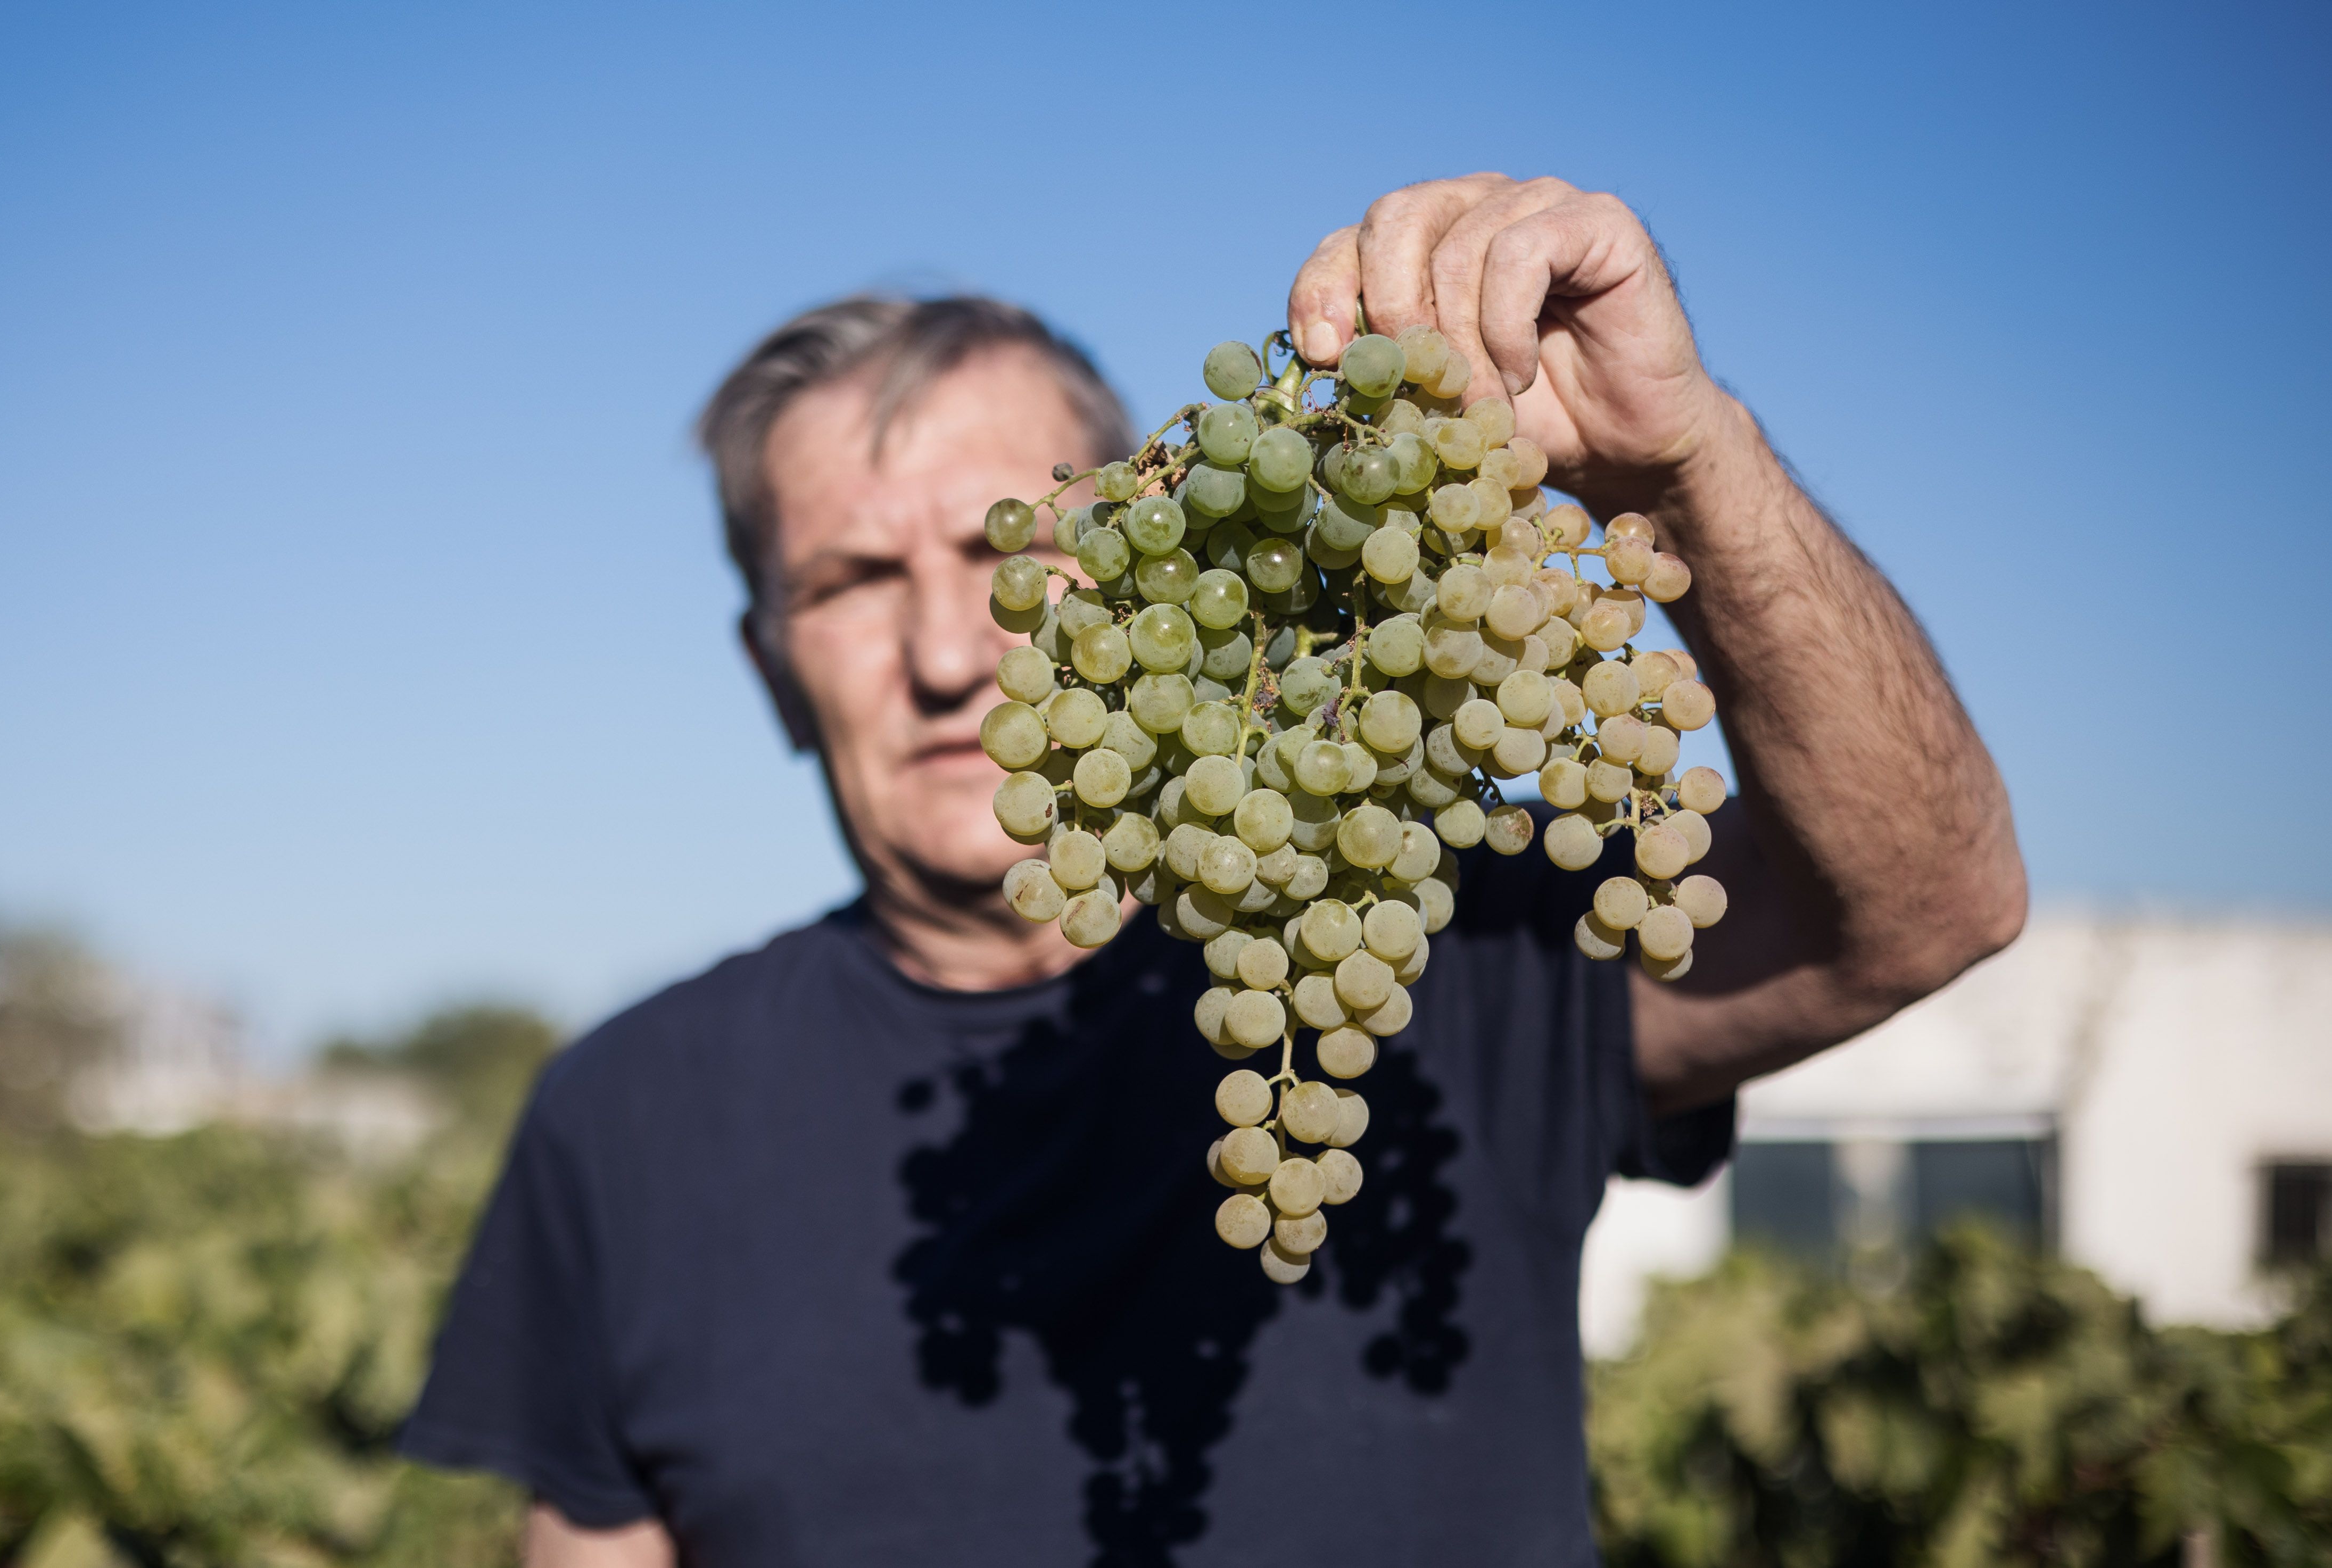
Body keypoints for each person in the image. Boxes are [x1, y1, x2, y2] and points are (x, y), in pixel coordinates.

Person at [399, 173, 2024, 1567]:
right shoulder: (622, 1116)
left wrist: (1689, 470)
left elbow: (1934, 897)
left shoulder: (1416, 940)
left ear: (1154, 556)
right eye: (849, 579)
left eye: (1002, 552)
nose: (951, 651)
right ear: (768, 666)